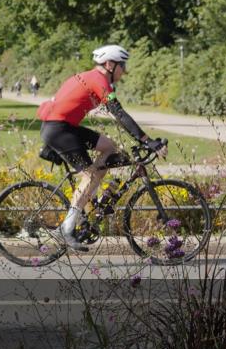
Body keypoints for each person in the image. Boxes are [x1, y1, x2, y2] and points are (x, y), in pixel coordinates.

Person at [36, 45, 167, 251]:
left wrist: (142, 139)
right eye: (122, 66)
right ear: (109, 64)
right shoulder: (99, 81)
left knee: (109, 147)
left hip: (62, 127)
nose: (124, 71)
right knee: (90, 177)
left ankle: (91, 196)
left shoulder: (91, 77)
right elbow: (120, 114)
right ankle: (67, 228)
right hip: (60, 130)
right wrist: (146, 140)